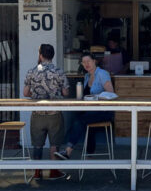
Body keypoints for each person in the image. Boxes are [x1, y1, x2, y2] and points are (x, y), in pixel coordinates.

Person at [23, 43, 69, 180]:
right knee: (54, 143)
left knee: (38, 143)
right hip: (54, 113)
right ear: (52, 55)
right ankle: (54, 171)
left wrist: (36, 95)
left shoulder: (32, 71)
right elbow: (66, 92)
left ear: (41, 55)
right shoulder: (59, 71)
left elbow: (25, 92)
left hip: (37, 113)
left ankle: (38, 172)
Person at [57, 52, 115, 159]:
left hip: (104, 111)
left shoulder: (102, 74)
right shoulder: (87, 76)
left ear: (94, 61)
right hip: (91, 111)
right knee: (81, 117)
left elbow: (110, 92)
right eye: (83, 62)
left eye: (88, 61)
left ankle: (68, 151)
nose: (86, 64)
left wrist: (95, 97)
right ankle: (89, 153)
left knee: (80, 120)